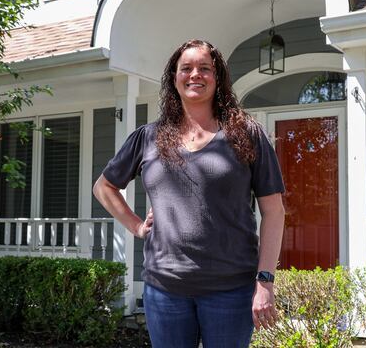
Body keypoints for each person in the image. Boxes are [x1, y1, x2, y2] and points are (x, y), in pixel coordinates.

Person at [93, 39, 286, 348]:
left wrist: (265, 281)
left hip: (230, 290)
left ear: (218, 78)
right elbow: (104, 187)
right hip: (164, 289)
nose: (195, 74)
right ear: (174, 78)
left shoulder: (246, 134)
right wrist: (137, 227)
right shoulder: (148, 137)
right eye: (186, 68)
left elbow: (274, 211)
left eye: (205, 68)